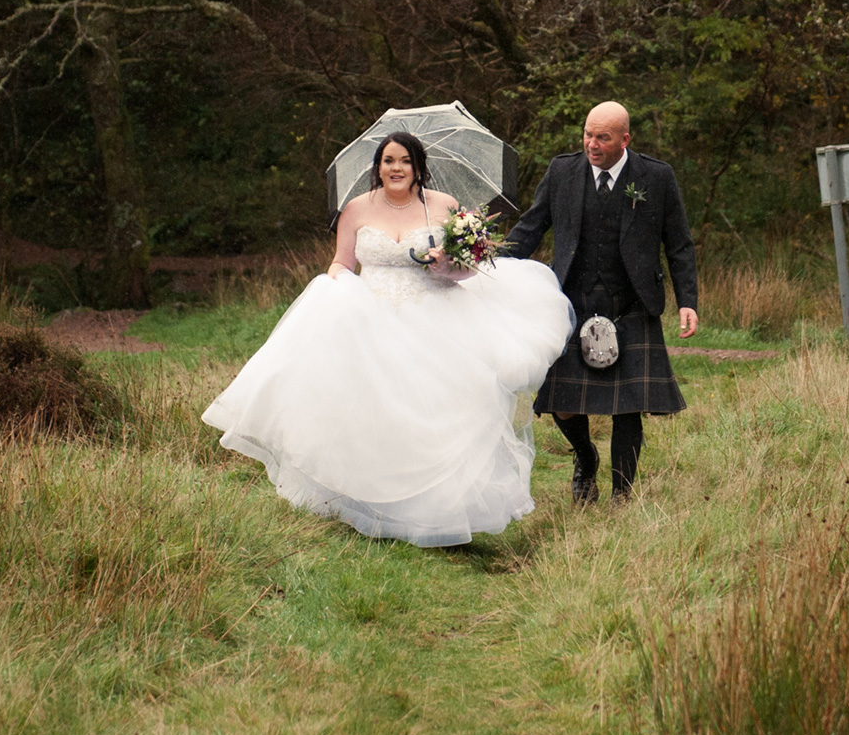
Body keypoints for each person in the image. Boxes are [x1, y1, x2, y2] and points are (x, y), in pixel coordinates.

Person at [202, 131, 575, 548]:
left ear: (418, 167)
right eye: (387, 161)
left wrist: (446, 265)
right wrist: (345, 292)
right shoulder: (356, 209)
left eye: (404, 161)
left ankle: (439, 511)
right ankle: (370, 501)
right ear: (377, 168)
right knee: (373, 408)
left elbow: (468, 269)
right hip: (371, 316)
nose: (395, 168)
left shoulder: (445, 206)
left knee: (439, 408)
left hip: (437, 317)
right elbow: (341, 263)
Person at [505, 102, 698, 504]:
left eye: (603, 138)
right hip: (571, 301)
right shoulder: (562, 171)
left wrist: (687, 300)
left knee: (628, 405)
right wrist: (486, 263)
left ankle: (622, 495)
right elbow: (531, 226)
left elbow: (678, 243)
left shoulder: (656, 177)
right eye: (588, 135)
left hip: (632, 302)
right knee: (561, 401)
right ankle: (585, 459)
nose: (592, 144)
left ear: (625, 139)